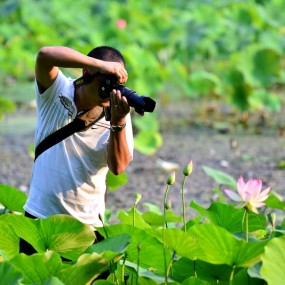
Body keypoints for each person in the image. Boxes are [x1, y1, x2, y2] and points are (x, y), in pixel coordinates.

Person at [21, 46, 134, 249]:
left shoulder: (118, 114)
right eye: (106, 80)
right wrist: (101, 65)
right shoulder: (57, 90)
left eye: (116, 83)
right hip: (39, 217)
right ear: (87, 72)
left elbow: (118, 167)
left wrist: (118, 123)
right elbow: (45, 55)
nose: (110, 90)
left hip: (86, 227)